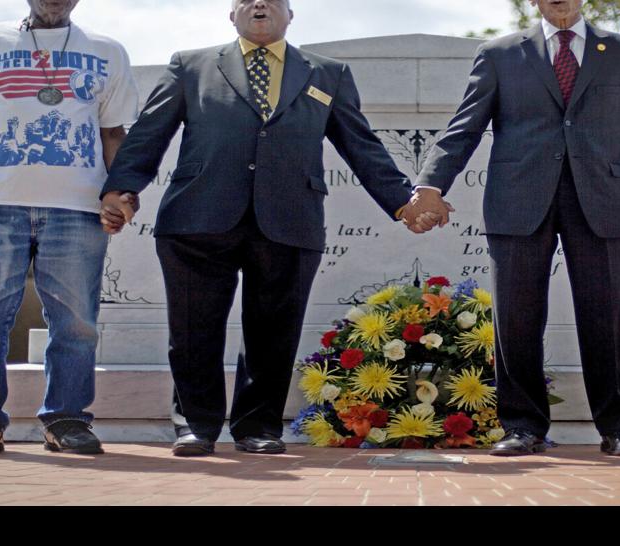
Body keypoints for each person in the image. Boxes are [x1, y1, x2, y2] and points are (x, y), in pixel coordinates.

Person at [98, 0, 431, 456]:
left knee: (274, 331)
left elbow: (361, 144)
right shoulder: (190, 66)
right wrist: (121, 188)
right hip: (197, 218)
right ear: (231, 14)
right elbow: (149, 133)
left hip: (290, 218)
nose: (260, 4)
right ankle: (196, 426)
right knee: (193, 330)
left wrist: (402, 202)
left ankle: (258, 427)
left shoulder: (327, 73)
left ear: (290, 15)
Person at [409, 0, 620, 458]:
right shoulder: (500, 54)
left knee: (610, 315)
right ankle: (523, 426)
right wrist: (430, 185)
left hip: (600, 197)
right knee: (516, 316)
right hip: (518, 198)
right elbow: (465, 127)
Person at [0, 0, 139, 455]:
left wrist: (123, 191)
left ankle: (66, 419)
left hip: (77, 207)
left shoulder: (107, 51)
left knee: (76, 322)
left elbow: (113, 133)